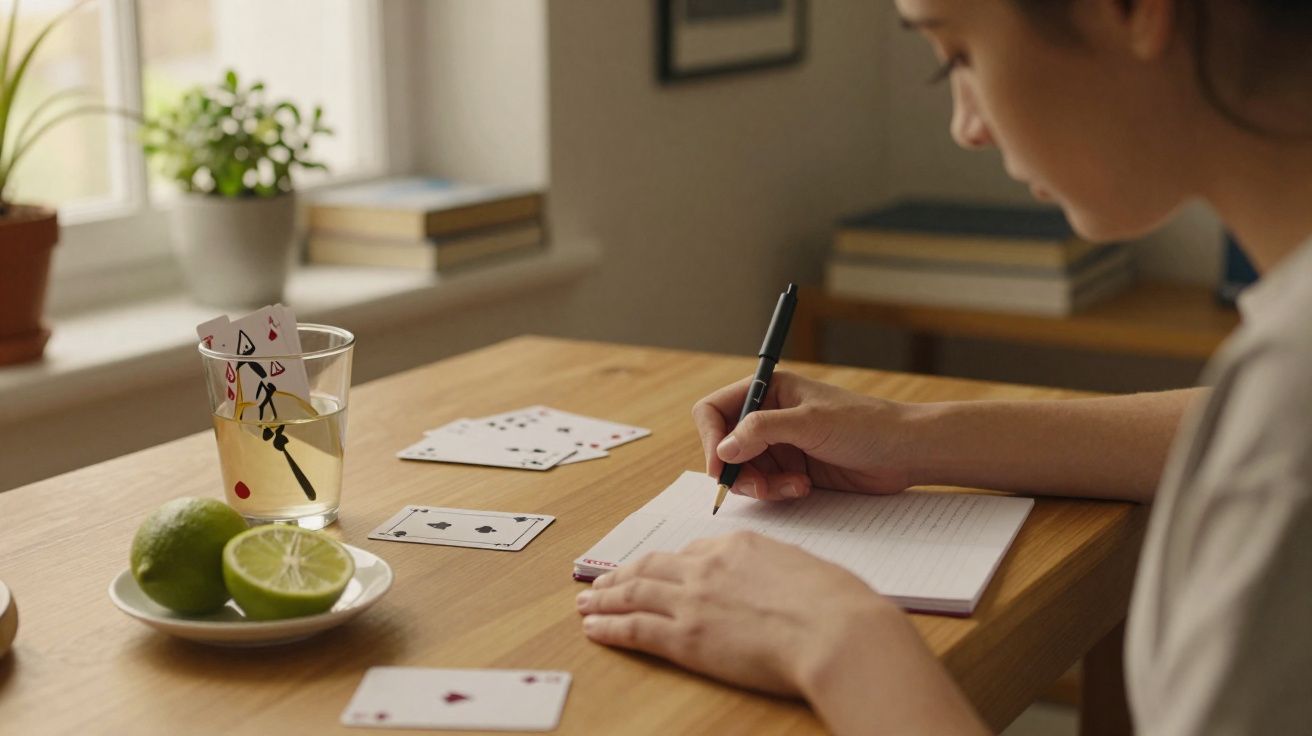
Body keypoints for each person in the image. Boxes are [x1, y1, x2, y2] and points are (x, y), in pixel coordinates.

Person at [574, 0, 1312, 733]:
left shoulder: (1286, 399)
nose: (967, 127)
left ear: (1129, 12)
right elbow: (1228, 429)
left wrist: (838, 639)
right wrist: (908, 434)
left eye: (957, 54)